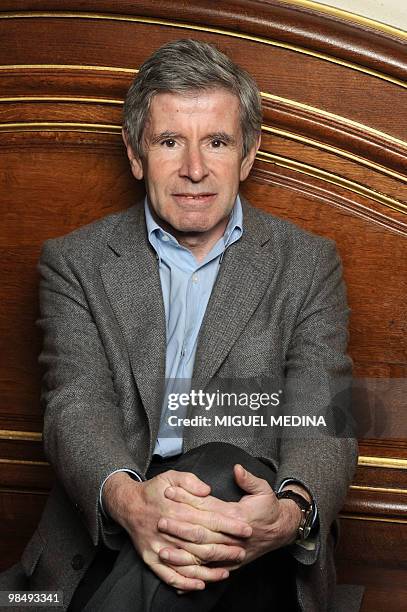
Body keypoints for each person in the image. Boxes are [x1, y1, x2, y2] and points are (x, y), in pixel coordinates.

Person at [2, 39, 362, 611]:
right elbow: (76, 406)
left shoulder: (307, 263)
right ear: (135, 153)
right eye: (170, 142)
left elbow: (323, 414)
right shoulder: (76, 262)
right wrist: (130, 503)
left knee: (221, 466)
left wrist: (288, 512)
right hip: (111, 528)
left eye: (216, 142)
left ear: (247, 154)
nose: (194, 170)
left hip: (248, 537)